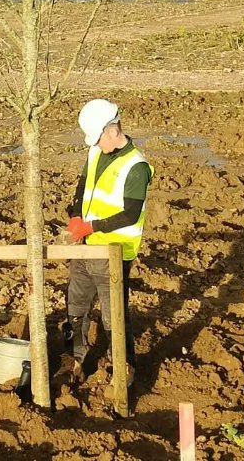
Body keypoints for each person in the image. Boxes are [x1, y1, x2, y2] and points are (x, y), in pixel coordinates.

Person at [63, 97, 153, 390]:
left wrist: (91, 226)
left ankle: (123, 369)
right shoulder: (95, 152)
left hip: (114, 252)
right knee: (76, 305)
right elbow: (83, 186)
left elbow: (130, 213)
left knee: (114, 316)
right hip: (86, 247)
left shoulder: (136, 167)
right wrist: (76, 216)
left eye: (98, 138)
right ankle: (74, 360)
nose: (97, 144)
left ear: (112, 130)